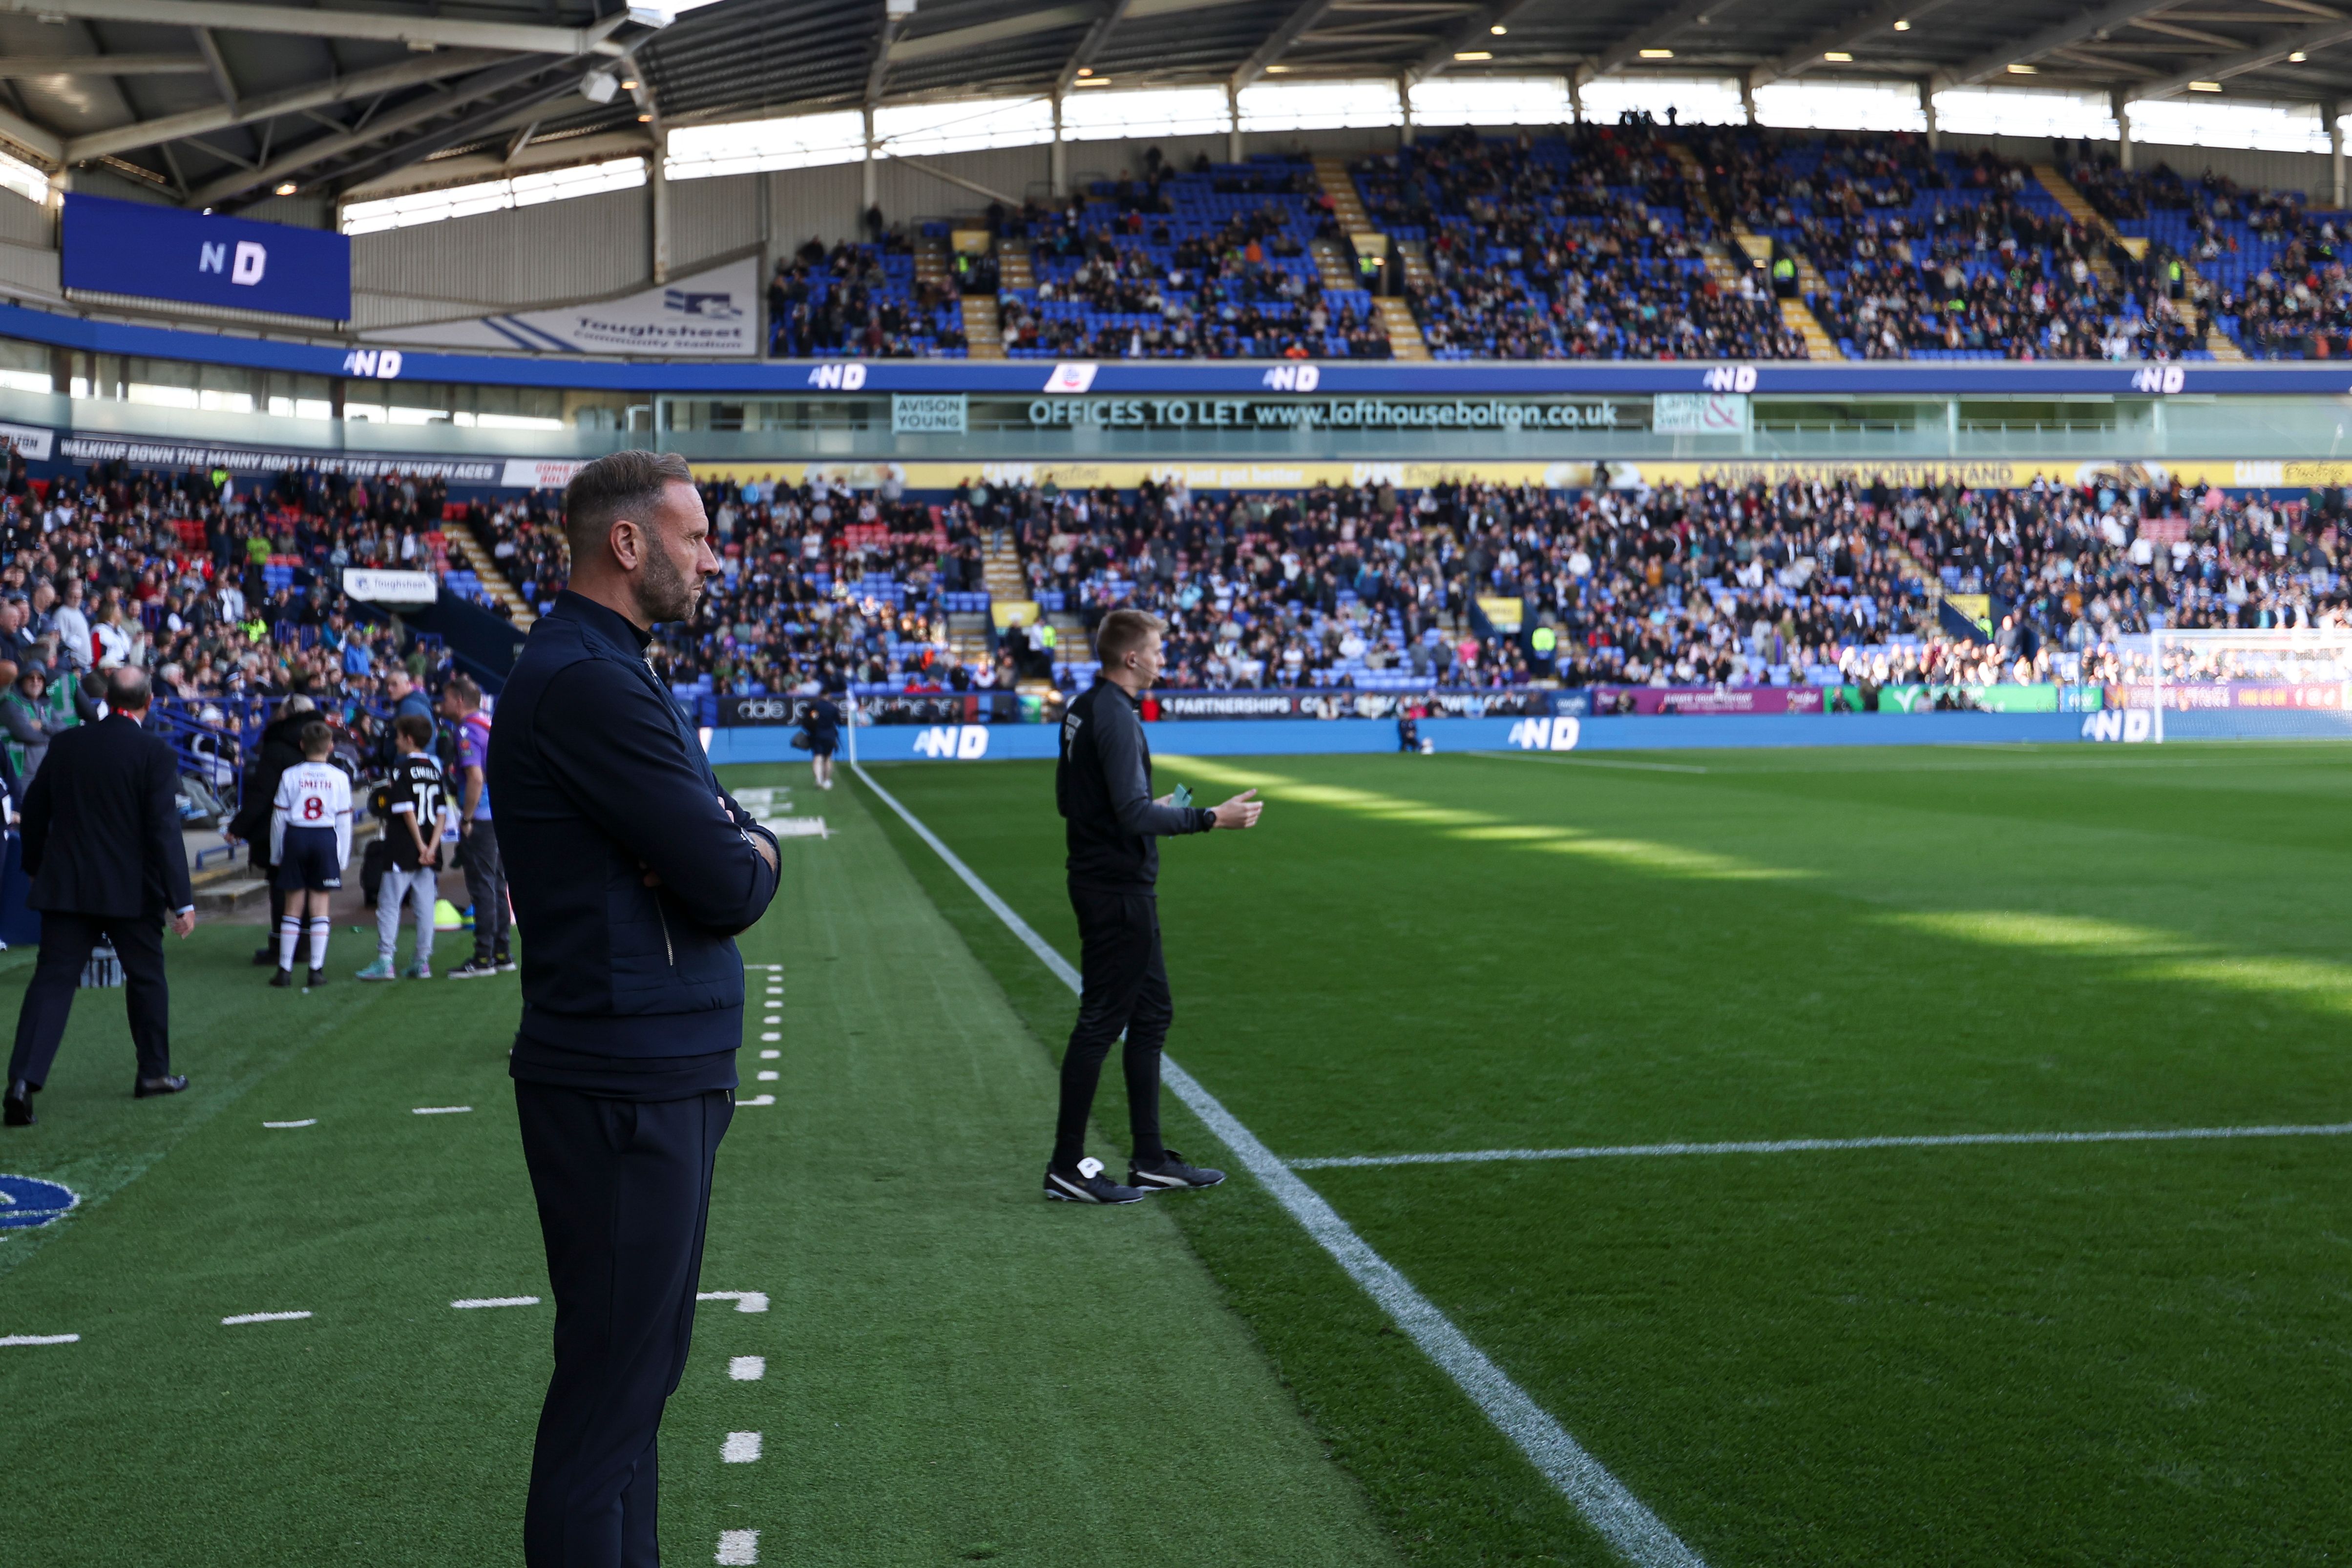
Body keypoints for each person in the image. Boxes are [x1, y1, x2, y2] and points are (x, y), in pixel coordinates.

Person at [488, 450, 779, 1566]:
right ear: (628, 542)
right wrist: (735, 849)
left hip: (649, 1063)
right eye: (696, 533)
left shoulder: (610, 666)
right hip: (624, 1075)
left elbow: (720, 835)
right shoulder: (592, 678)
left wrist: (728, 839)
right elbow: (729, 877)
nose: (712, 554)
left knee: (637, 1381)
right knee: (610, 1398)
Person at [1047, 607, 1261, 1204]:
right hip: (1116, 889)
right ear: (1132, 657)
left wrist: (1146, 805)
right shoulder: (1115, 715)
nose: (1165, 659)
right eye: (1159, 650)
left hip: (1109, 881)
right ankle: (1066, 1165)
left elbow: (1074, 800)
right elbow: (1129, 814)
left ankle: (1149, 1158)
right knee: (1101, 1023)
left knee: (1151, 1014)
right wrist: (1211, 817)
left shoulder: (1084, 707)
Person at [2, 668, 195, 1129]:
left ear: (107, 697)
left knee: (52, 981)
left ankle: (22, 1082)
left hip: (68, 884)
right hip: (132, 889)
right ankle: (153, 1073)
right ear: (149, 701)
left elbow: (34, 811)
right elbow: (164, 831)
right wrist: (181, 900)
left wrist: (33, 867)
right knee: (147, 978)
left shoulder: (67, 744)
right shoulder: (155, 752)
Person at [230, 691, 317, 966]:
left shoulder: (277, 747)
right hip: (315, 826)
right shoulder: (319, 744)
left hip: (280, 828)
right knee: (306, 885)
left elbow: (262, 793)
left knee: (281, 887)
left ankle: (282, 946)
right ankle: (305, 945)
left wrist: (238, 827)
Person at [357, 712, 447, 982]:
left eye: (398, 737)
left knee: (389, 903)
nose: (395, 742)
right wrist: (431, 847)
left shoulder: (401, 770)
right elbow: (442, 811)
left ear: (409, 739)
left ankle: (386, 960)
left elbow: (407, 811)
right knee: (425, 905)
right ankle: (422, 961)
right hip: (431, 846)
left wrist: (419, 845)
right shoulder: (434, 769)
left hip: (404, 847)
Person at [266, 721, 352, 989]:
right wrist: (342, 857)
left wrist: (277, 854)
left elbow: (278, 819)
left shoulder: (290, 775)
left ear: (302, 746)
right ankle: (316, 970)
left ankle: (285, 970)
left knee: (293, 906)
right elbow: (345, 822)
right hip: (324, 837)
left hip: (297, 836)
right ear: (331, 747)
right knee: (320, 907)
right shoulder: (340, 777)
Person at [443, 674, 510, 978]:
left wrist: (466, 819)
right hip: (499, 815)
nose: (441, 705)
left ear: (459, 700)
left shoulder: (467, 730)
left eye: (445, 699)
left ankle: (483, 958)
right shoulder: (489, 723)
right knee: (496, 884)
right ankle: (501, 953)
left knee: (482, 887)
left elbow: (475, 778)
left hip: (481, 819)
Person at [802, 691, 841, 790]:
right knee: (828, 758)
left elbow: (810, 719)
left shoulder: (815, 706)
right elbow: (839, 722)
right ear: (829, 696)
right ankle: (827, 780)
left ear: (820, 696)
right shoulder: (833, 708)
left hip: (817, 735)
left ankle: (818, 779)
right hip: (830, 735)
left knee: (818, 757)